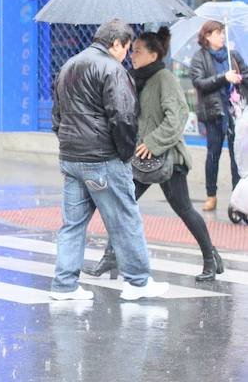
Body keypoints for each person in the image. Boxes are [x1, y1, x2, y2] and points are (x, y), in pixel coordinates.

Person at [83, 27, 224, 282]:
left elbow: (178, 116)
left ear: (153, 55)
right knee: (121, 205)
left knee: (184, 210)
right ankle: (111, 256)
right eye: (132, 50)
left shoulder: (164, 78)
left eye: (137, 51)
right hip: (142, 159)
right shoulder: (136, 78)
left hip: (169, 159)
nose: (132, 55)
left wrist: (153, 142)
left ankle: (209, 258)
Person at [50, 19, 169, 302]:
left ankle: (64, 284)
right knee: (125, 218)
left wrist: (69, 143)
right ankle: (138, 282)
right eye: (127, 48)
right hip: (103, 157)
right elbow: (124, 117)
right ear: (116, 43)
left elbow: (57, 116)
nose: (127, 54)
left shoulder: (69, 65)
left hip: (71, 156)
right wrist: (125, 154)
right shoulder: (113, 70)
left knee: (72, 224)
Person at [189, 20, 247, 211]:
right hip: (214, 112)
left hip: (235, 111)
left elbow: (246, 74)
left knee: (236, 156)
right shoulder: (200, 58)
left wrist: (240, 78)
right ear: (207, 36)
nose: (221, 36)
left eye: (222, 32)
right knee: (213, 154)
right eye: (217, 33)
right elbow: (199, 82)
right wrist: (224, 78)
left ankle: (236, 198)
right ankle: (211, 195)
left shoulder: (233, 55)